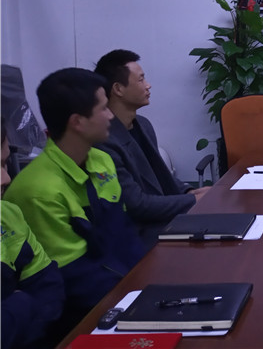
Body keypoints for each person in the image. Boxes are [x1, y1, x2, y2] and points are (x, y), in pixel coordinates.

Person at [4, 68, 145, 334]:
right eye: (103, 108)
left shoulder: (102, 160)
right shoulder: (38, 190)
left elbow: (125, 235)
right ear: (78, 122)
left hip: (123, 291)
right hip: (83, 316)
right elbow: (76, 278)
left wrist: (148, 279)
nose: (111, 115)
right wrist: (139, 297)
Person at [94, 49, 210, 247]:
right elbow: (137, 205)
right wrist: (194, 200)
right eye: (141, 80)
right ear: (118, 89)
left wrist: (190, 191)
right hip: (142, 232)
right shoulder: (105, 140)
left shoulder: (143, 124)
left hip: (167, 219)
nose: (148, 85)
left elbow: (159, 176)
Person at [1, 118, 65, 349]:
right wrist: (22, 303)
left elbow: (50, 291)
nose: (6, 178)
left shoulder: (8, 213)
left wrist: (14, 308)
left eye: (4, 164)